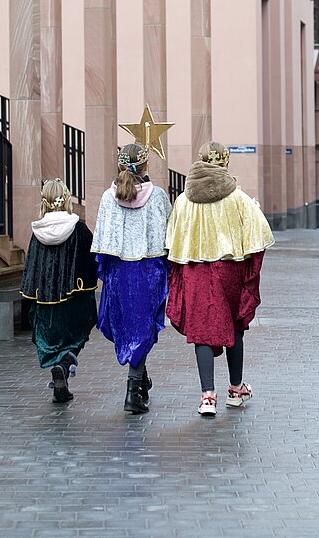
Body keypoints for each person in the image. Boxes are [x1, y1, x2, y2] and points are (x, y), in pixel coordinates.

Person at [166, 141, 274, 417]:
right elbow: (259, 234)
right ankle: (236, 390)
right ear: (226, 163)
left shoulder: (183, 200)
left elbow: (172, 241)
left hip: (195, 272)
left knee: (202, 330)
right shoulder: (238, 198)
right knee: (234, 324)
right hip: (229, 271)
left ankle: (207, 397)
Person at [91, 143, 172, 414]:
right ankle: (133, 392)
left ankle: (141, 381)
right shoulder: (158, 196)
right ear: (146, 165)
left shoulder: (107, 197)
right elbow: (168, 235)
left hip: (118, 273)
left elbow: (101, 240)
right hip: (146, 271)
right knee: (143, 330)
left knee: (130, 330)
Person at [20, 179, 98, 403]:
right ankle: (64, 366)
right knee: (76, 336)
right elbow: (91, 260)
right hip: (75, 298)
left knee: (50, 341)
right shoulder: (79, 229)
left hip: (45, 300)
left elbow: (32, 268)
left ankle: (59, 369)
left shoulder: (38, 232)